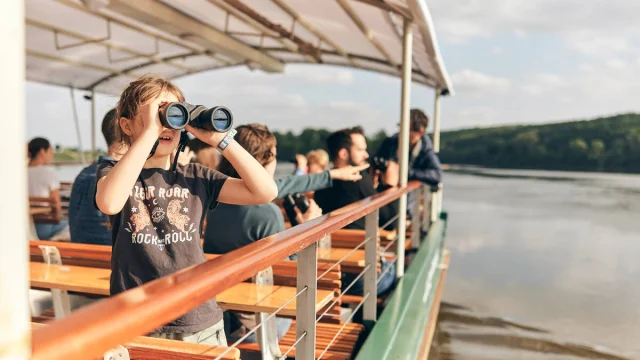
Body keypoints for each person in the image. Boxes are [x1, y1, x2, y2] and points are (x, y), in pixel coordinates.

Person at [94, 75, 278, 346]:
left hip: (197, 317)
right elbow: (110, 202)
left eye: (173, 116)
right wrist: (148, 135)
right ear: (127, 125)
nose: (164, 125)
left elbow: (265, 191)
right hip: (135, 319)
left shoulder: (196, 177)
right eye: (155, 116)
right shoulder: (113, 173)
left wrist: (220, 140)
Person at [203, 123, 366, 343]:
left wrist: (331, 175)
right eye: (275, 156)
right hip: (257, 327)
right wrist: (306, 229)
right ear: (265, 162)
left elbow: (282, 184)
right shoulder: (267, 213)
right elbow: (292, 275)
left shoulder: (213, 199)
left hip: (220, 318)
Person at [313, 126, 398, 296]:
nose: (366, 155)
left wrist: (371, 189)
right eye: (360, 150)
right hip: (359, 280)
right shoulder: (359, 181)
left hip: (328, 276)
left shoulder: (321, 184)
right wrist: (390, 186)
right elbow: (391, 223)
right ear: (343, 154)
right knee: (396, 267)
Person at [68, 109, 126, 245]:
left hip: (80, 255)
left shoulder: (83, 174)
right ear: (128, 130)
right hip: (112, 261)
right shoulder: (126, 178)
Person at [375, 109, 442, 217]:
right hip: (384, 195)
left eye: (407, 129)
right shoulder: (390, 143)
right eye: (400, 127)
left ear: (420, 131)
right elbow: (376, 161)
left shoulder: (426, 151)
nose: (401, 132)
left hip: (409, 203)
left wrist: (405, 172)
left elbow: (437, 175)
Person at [27, 137, 67, 240]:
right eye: (50, 151)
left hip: (27, 227)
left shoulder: (21, 172)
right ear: (42, 151)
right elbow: (56, 204)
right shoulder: (48, 173)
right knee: (72, 224)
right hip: (45, 228)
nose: (51, 155)